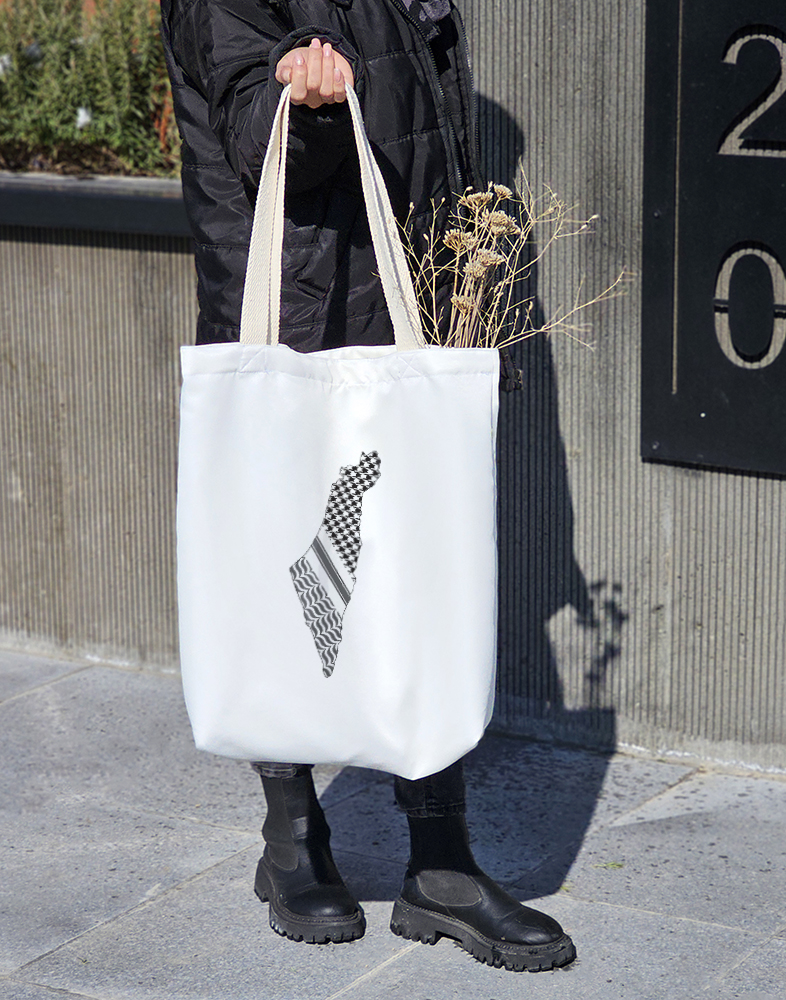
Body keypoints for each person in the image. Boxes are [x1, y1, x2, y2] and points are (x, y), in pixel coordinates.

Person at [159, 0, 574, 973]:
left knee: (421, 570)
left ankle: (442, 861)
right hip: (298, 303)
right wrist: (301, 106)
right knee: (291, 574)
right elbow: (254, 135)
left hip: (400, 300)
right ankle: (293, 837)